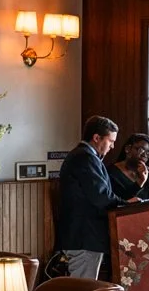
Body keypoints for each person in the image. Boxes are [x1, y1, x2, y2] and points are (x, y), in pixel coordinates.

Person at [52, 115, 136, 280]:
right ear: (96, 138)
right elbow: (100, 196)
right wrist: (126, 204)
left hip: (82, 236)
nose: (112, 147)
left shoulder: (83, 156)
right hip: (84, 237)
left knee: (83, 290)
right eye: (110, 141)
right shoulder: (85, 157)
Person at [107, 132, 149, 200]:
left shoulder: (147, 174)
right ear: (128, 149)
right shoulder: (111, 173)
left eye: (148, 154)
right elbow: (118, 201)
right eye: (141, 150)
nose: (144, 155)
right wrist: (140, 182)